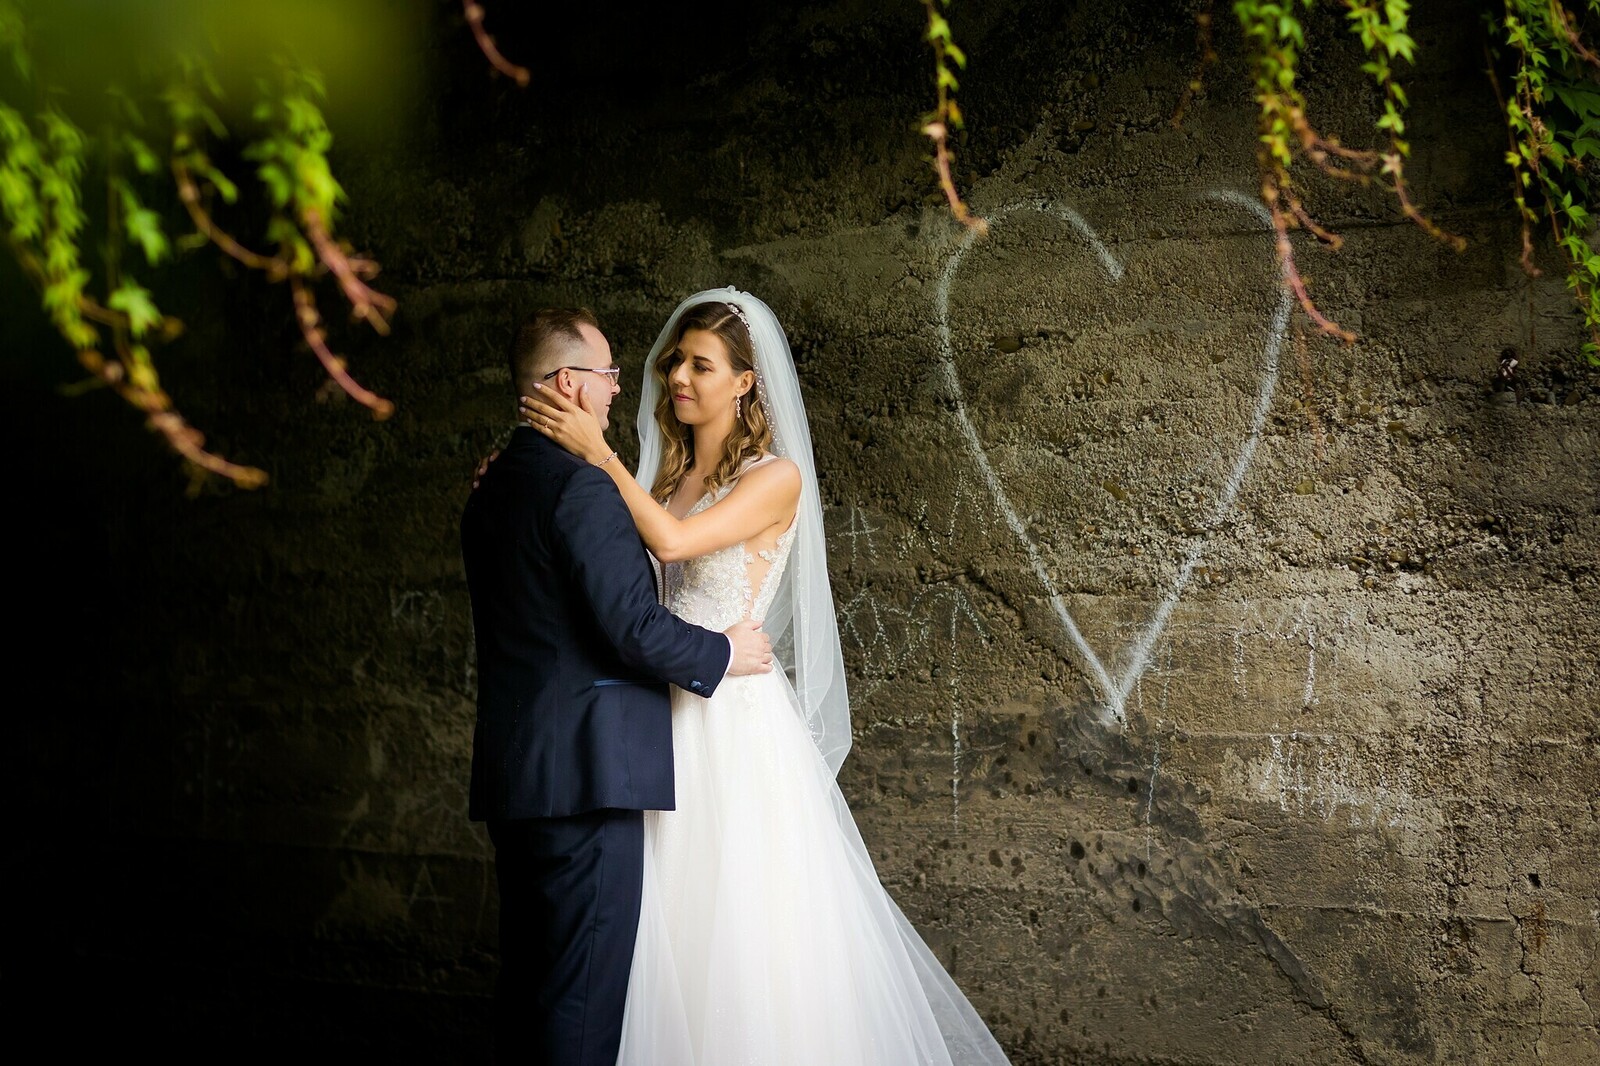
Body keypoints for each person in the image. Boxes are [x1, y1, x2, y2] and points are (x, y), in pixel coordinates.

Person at [521, 287, 1012, 1065]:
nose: (677, 375)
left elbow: (676, 547)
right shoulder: (666, 481)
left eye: (701, 364)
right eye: (675, 359)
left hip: (735, 723)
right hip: (661, 718)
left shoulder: (775, 478)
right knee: (656, 935)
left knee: (743, 935)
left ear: (746, 382)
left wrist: (595, 451)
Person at [460, 306, 775, 1066]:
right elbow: (632, 626)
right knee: (581, 1006)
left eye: (698, 366)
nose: (619, 389)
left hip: (521, 775)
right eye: (606, 375)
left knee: (531, 990)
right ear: (569, 384)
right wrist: (723, 652)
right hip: (589, 779)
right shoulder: (586, 487)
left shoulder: (493, 486)